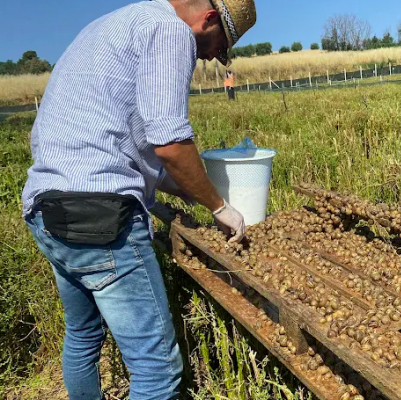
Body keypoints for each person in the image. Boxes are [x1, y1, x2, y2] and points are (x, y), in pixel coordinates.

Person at [21, 0, 256, 399]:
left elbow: (111, 142)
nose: (211, 56)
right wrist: (220, 207)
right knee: (157, 371)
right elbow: (169, 143)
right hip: (102, 218)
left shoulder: (116, 23)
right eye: (218, 46)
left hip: (47, 209)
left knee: (82, 336)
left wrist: (183, 186)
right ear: (210, 19)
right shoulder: (170, 31)